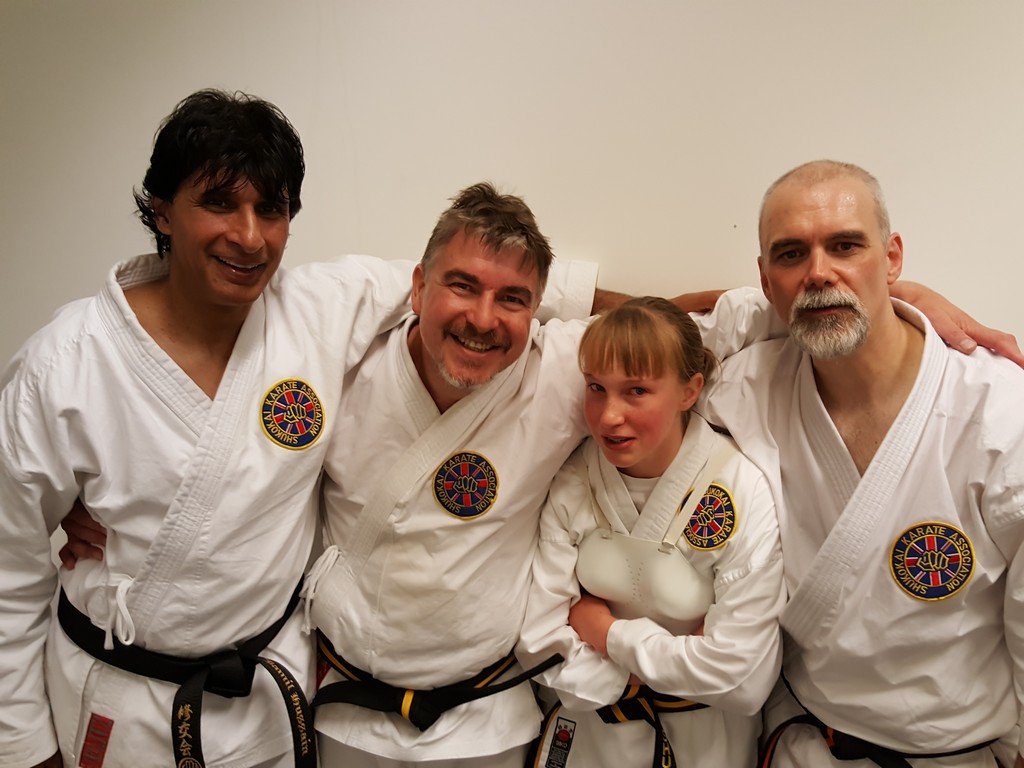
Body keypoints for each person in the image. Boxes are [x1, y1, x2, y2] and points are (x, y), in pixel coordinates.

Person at [0, 89, 419, 768]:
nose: (250, 237)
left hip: (267, 701)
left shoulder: (316, 312)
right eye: (220, 203)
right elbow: (8, 569)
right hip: (126, 708)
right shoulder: (66, 365)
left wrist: (612, 312)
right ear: (162, 210)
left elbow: (463, 283)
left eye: (271, 209)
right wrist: (23, 748)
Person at [697, 160, 1024, 767]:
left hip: (955, 754)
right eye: (791, 254)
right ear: (765, 280)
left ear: (892, 258)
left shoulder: (1000, 411)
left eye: (846, 245)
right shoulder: (742, 390)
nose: (819, 272)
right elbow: (633, 346)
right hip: (805, 742)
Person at [516, 296, 785, 768]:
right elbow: (540, 645)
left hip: (707, 742)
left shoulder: (739, 487)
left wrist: (606, 633)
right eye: (596, 387)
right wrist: (676, 661)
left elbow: (743, 679)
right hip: (590, 733)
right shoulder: (573, 479)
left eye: (636, 391)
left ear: (689, 391)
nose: (608, 416)